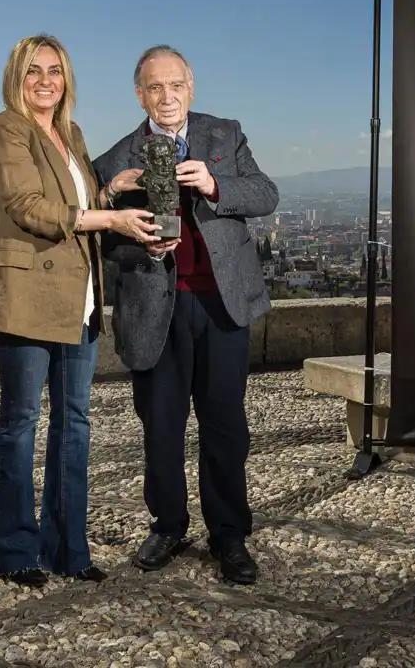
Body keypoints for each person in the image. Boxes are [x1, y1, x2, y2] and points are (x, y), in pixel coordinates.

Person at [93, 45, 278, 584]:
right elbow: (105, 243)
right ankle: (168, 524)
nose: (166, 97)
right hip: (155, 309)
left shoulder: (225, 134)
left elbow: (265, 194)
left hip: (222, 304)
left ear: (190, 87)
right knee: (161, 426)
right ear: (139, 94)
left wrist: (216, 186)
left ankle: (229, 535)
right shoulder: (116, 160)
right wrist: (136, 240)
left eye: (175, 85)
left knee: (225, 426)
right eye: (155, 87)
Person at [0, 35, 154, 587]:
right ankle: (15, 552)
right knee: (20, 425)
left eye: (55, 71)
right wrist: (113, 222)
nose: (45, 81)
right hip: (29, 298)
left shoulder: (71, 134)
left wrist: (110, 193)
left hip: (77, 301)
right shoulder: (7, 130)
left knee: (74, 425)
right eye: (34, 72)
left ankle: (69, 550)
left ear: (67, 79)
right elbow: (30, 208)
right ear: (17, 78)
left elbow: (73, 204)